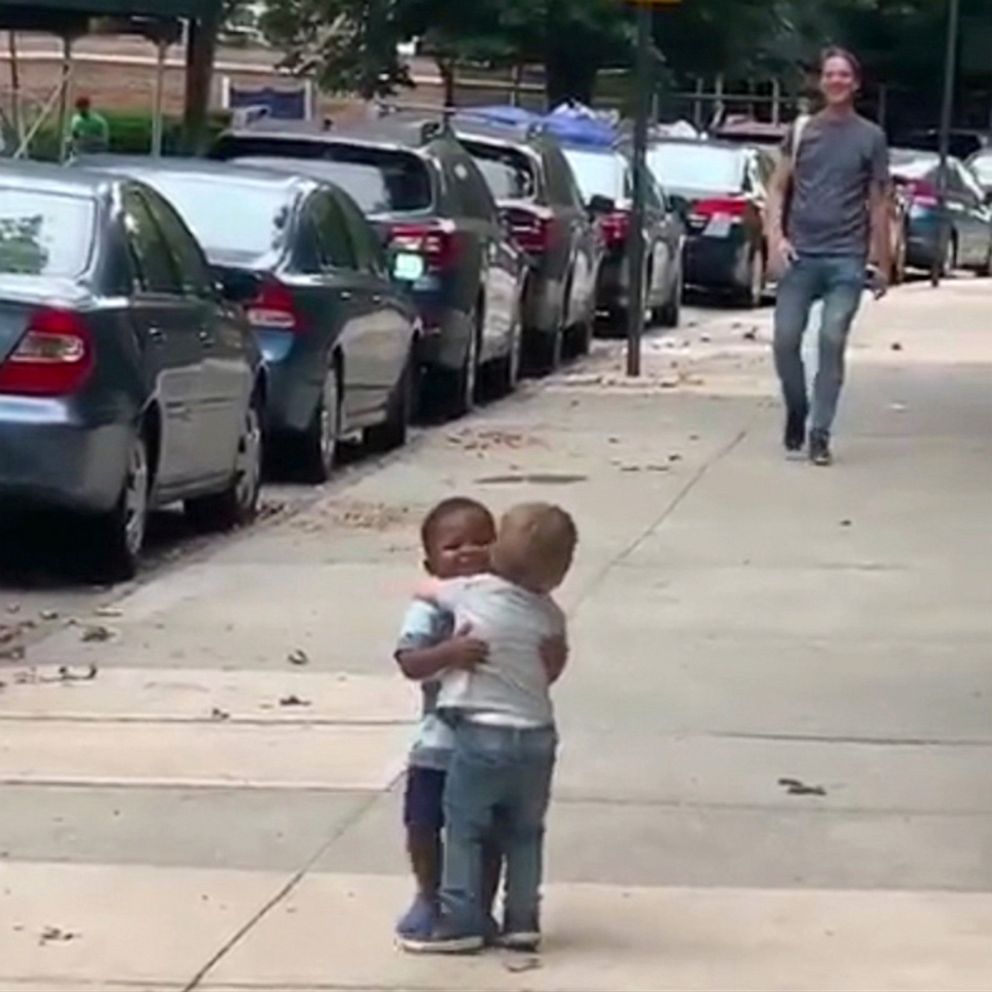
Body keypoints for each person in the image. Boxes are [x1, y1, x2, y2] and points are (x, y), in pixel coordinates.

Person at [401, 502, 577, 955]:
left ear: (499, 549)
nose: (468, 551)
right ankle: (431, 897)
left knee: (483, 831)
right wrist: (448, 653)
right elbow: (409, 662)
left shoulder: (485, 594)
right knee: (425, 823)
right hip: (439, 743)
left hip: (479, 740)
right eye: (453, 546)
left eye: (482, 541)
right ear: (430, 560)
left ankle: (469, 911)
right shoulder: (432, 607)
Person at [766, 47, 891, 467]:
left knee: (831, 338)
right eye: (829, 74)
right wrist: (775, 239)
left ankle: (820, 433)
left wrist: (882, 261)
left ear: (855, 84)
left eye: (844, 75)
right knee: (785, 342)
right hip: (800, 255)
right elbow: (778, 188)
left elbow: (877, 203)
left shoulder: (870, 137)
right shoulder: (801, 132)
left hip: (846, 258)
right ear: (821, 82)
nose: (836, 81)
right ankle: (797, 409)